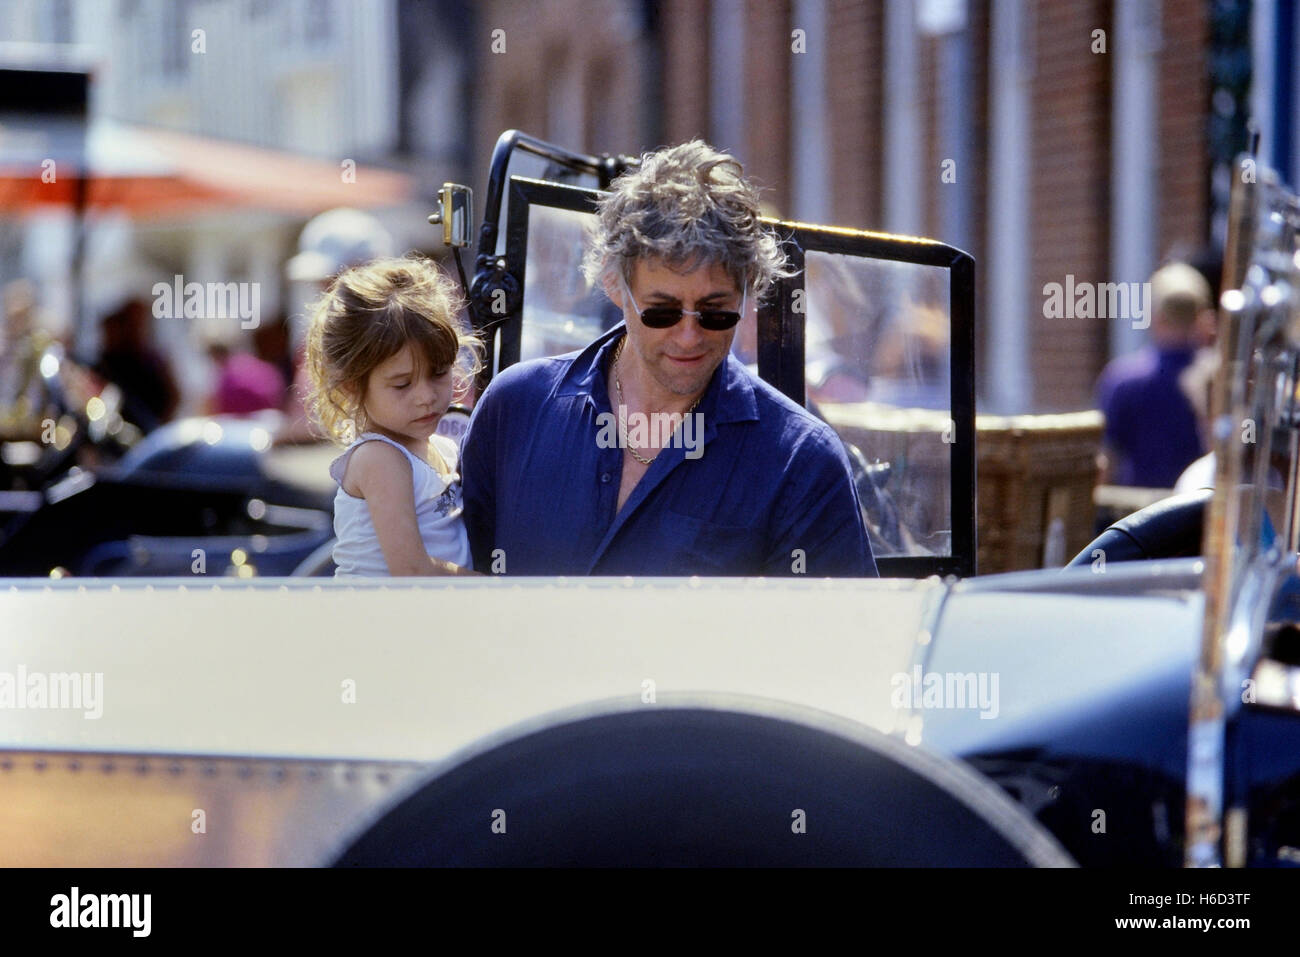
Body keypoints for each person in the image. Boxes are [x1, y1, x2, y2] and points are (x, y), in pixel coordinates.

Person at [460, 140, 878, 577]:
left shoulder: (801, 460)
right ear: (614, 285)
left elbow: (837, 639)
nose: (689, 335)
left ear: (747, 293)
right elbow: (459, 599)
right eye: (662, 311)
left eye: (716, 312)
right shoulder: (514, 409)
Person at [304, 256, 481, 577]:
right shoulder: (380, 458)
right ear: (352, 387)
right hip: (379, 622)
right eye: (402, 384)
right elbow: (412, 570)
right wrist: (499, 589)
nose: (426, 396)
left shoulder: (443, 447)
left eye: (439, 373)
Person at [1096, 262, 1214, 488]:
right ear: (1203, 318)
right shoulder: (1216, 379)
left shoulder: (1123, 380)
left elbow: (1105, 461)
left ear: (1157, 317)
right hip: (1198, 513)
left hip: (1139, 517)